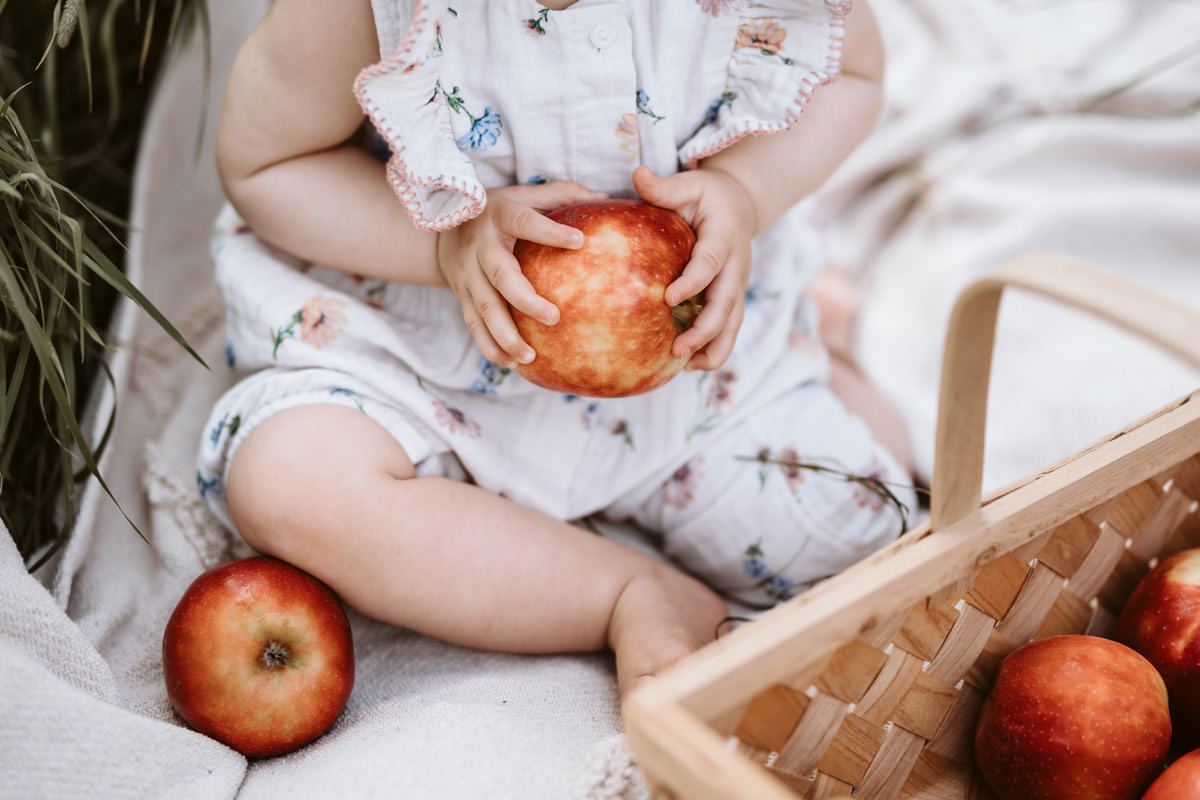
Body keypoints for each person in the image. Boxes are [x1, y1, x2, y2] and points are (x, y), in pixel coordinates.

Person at [197, 0, 912, 697]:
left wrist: (743, 190)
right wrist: (445, 245)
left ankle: (831, 347)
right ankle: (623, 591)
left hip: (691, 374)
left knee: (873, 526)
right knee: (291, 481)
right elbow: (271, 165)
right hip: (429, 358)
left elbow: (850, 72)